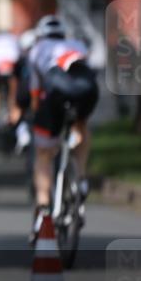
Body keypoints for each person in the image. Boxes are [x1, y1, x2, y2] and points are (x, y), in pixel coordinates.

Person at [27, 15, 99, 240]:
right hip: (87, 90)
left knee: (44, 153)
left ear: (40, 34)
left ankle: (44, 205)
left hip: (57, 90)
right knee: (81, 125)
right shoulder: (77, 44)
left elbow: (36, 93)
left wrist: (36, 116)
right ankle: (82, 178)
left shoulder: (37, 50)